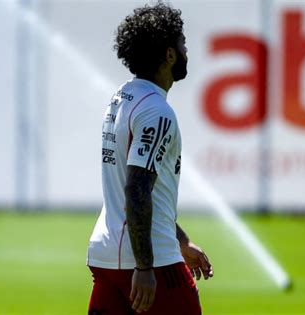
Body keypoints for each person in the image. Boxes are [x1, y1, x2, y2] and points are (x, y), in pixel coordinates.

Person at [87, 3, 213, 314]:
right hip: (150, 262)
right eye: (182, 44)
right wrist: (145, 268)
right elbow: (137, 190)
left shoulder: (121, 97)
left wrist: (181, 240)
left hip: (106, 257)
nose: (186, 51)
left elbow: (146, 193)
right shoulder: (157, 111)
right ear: (169, 55)